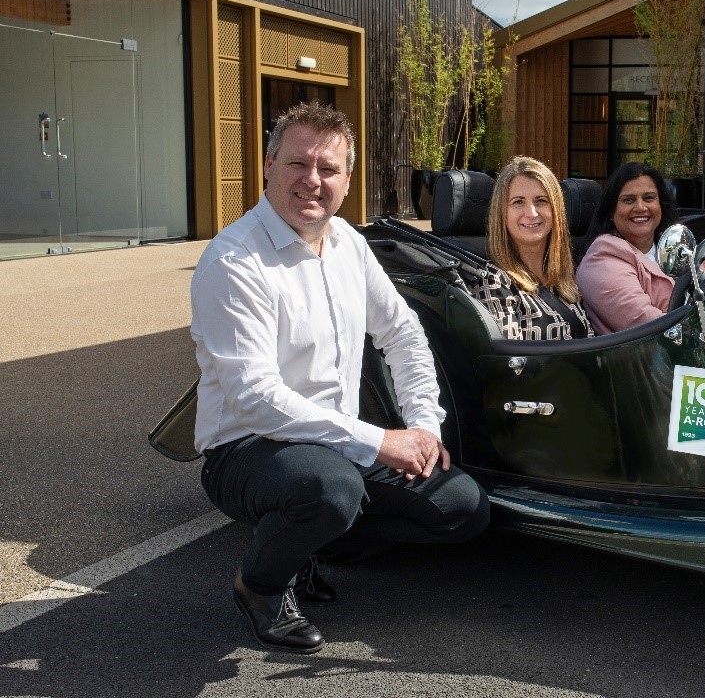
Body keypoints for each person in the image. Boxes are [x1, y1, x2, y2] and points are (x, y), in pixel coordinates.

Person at [190, 101, 489, 654]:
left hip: (335, 442)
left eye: (328, 169)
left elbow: (402, 333)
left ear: (347, 180)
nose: (312, 181)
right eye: (297, 164)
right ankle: (261, 584)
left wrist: (424, 427)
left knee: (460, 508)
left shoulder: (349, 244)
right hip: (247, 448)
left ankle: (303, 547)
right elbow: (256, 401)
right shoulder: (234, 261)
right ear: (268, 165)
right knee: (330, 490)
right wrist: (381, 441)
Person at [463, 156, 593, 340]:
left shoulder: (568, 279)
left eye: (541, 201)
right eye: (518, 202)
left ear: (555, 209)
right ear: (502, 213)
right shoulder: (494, 283)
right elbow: (512, 363)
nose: (531, 213)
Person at [576, 161, 705, 334]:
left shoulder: (676, 245)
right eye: (628, 200)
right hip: (648, 358)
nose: (640, 207)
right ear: (610, 212)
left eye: (649, 198)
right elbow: (649, 325)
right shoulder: (600, 261)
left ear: (661, 205)